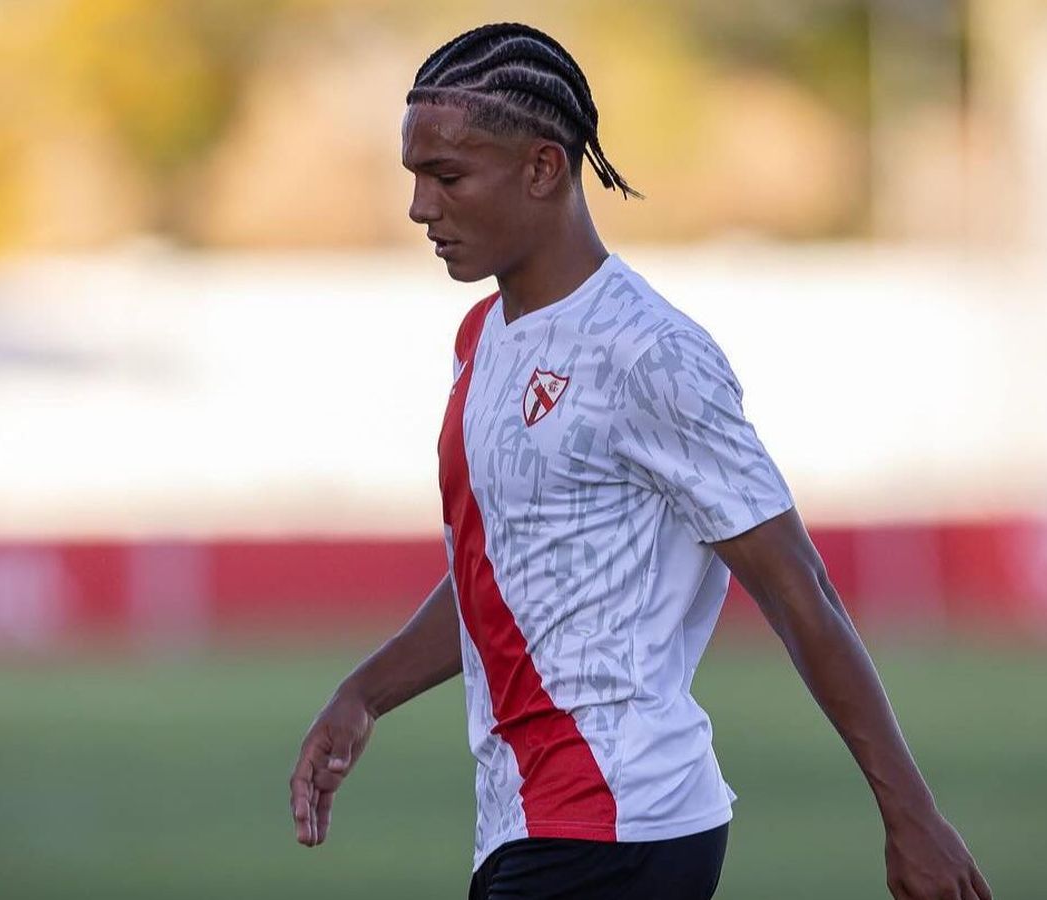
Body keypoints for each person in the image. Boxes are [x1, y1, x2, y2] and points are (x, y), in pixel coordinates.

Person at [289, 22, 992, 900]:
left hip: (619, 823)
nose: (421, 209)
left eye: (448, 177)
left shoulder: (649, 355)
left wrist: (911, 816)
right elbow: (507, 573)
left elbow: (797, 585)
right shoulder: (482, 338)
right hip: (535, 823)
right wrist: (366, 693)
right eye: (416, 178)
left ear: (544, 168)